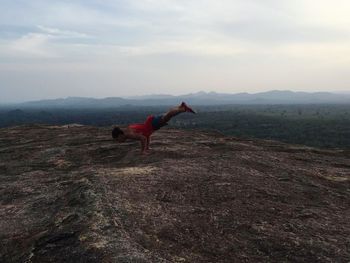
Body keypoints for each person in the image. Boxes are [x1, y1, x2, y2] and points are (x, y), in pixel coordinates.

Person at [112, 102, 196, 154]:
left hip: (152, 124)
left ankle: (183, 108)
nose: (118, 142)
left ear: (120, 135)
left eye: (117, 139)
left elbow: (143, 138)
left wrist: (143, 151)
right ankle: (181, 107)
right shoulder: (129, 131)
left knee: (168, 116)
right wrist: (147, 148)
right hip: (151, 124)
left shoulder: (129, 134)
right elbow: (146, 135)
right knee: (167, 115)